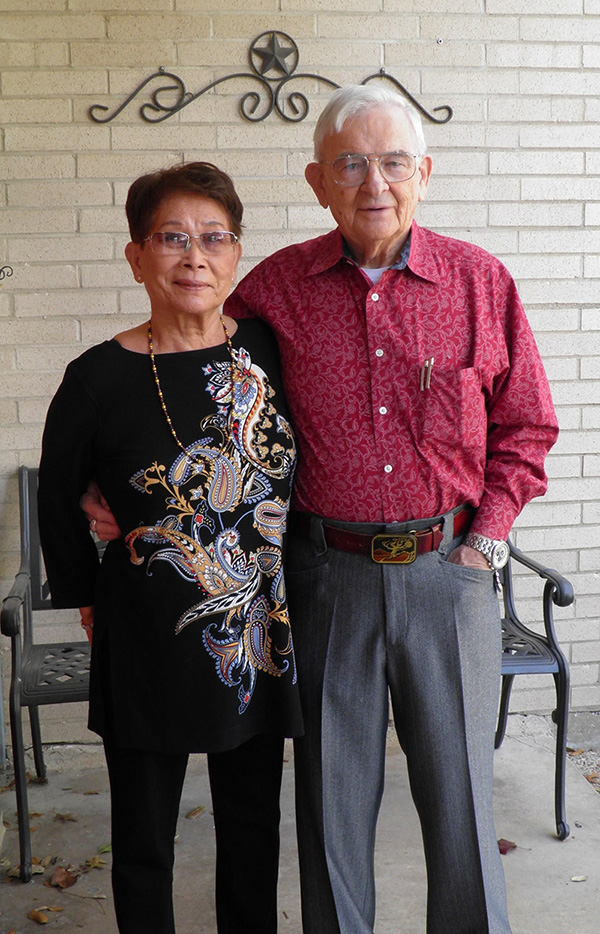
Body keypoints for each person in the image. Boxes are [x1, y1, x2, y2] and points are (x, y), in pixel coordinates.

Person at [84, 86, 559, 934]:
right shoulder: (274, 291)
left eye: (392, 162)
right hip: (325, 578)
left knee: (459, 807)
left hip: (448, 577)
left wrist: (484, 544)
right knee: (332, 810)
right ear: (317, 181)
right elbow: (193, 364)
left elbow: (527, 425)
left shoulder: (482, 283)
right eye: (350, 163)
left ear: (424, 172)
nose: (372, 181)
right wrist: (119, 485)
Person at [37, 161, 302, 934]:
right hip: (146, 634)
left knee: (253, 824)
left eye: (214, 238)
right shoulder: (96, 378)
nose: (195, 257)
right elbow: (61, 502)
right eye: (173, 238)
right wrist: (88, 597)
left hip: (253, 629)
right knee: (145, 839)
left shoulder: (267, 351)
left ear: (236, 252)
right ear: (137, 256)